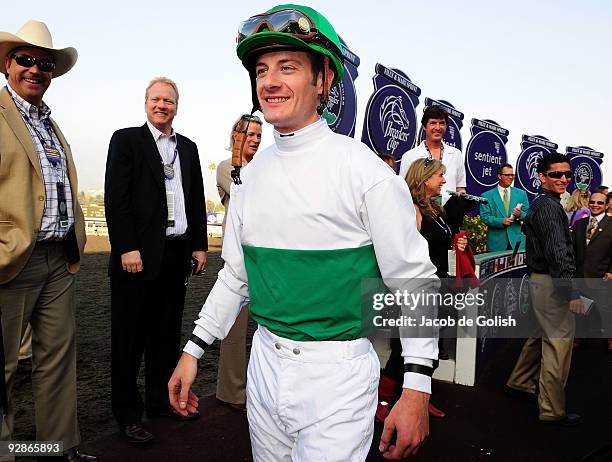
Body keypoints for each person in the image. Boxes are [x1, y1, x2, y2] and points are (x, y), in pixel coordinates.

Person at [169, 5, 439, 461]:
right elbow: (236, 276)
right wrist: (193, 349)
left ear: (324, 81)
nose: (270, 81)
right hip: (265, 366)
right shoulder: (249, 178)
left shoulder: (366, 173)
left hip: (339, 376)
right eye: (262, 70)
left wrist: (416, 389)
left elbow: (413, 282)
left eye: (288, 67)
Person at [0, 19, 96, 461]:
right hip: (11, 263)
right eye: (26, 60)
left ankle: (56, 449)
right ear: (7, 64)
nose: (36, 69)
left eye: (45, 64)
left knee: (56, 363)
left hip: (59, 260)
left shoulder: (51, 126)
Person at [105, 77, 207, 444]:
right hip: (137, 259)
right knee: (129, 341)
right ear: (146, 103)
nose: (162, 105)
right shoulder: (127, 140)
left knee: (165, 336)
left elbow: (195, 200)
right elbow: (115, 200)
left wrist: (199, 245)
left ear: (177, 105)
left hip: (176, 254)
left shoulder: (189, 148)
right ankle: (128, 416)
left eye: (169, 100)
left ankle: (160, 402)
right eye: (156, 99)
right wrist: (126, 247)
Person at [376, 158, 469, 422]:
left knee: (434, 346)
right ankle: (382, 401)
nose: (443, 180)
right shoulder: (410, 209)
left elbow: (440, 243)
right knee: (402, 350)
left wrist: (456, 245)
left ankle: (420, 397)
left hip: (440, 287)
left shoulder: (434, 209)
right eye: (439, 176)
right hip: (416, 291)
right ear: (424, 178)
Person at [506, 152, 584, 426]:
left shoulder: (542, 203)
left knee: (541, 334)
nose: (564, 179)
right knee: (558, 344)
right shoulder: (550, 208)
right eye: (556, 174)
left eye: (567, 174)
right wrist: (570, 291)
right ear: (542, 177)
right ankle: (551, 410)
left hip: (541, 281)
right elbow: (558, 252)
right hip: (551, 282)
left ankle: (520, 382)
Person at [215, 114, 262, 412]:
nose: (256, 139)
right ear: (235, 135)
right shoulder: (225, 168)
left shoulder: (265, 168)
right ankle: (231, 392)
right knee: (234, 330)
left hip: (265, 257)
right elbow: (245, 195)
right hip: (239, 260)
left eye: (259, 134)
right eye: (250, 134)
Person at [398, 106, 466, 204]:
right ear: (425, 127)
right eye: (433, 123)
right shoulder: (410, 156)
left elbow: (460, 187)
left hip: (450, 215)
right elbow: (404, 191)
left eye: (442, 123)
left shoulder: (456, 154)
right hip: (421, 214)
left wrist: (462, 198)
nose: (438, 128)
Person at [571, 191, 612, 351]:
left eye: (600, 203)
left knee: (606, 310)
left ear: (607, 204)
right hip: (581, 276)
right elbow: (574, 250)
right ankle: (578, 337)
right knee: (580, 311)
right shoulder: (580, 224)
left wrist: (610, 271)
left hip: (602, 277)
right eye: (593, 202)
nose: (595, 205)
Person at [480, 164, 529, 252]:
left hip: (517, 243)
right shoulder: (487, 196)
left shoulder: (521, 194)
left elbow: (529, 216)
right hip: (496, 243)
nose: (510, 177)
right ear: (499, 176)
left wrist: (520, 214)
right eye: (507, 175)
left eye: (512, 175)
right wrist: (501, 221)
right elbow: (485, 217)